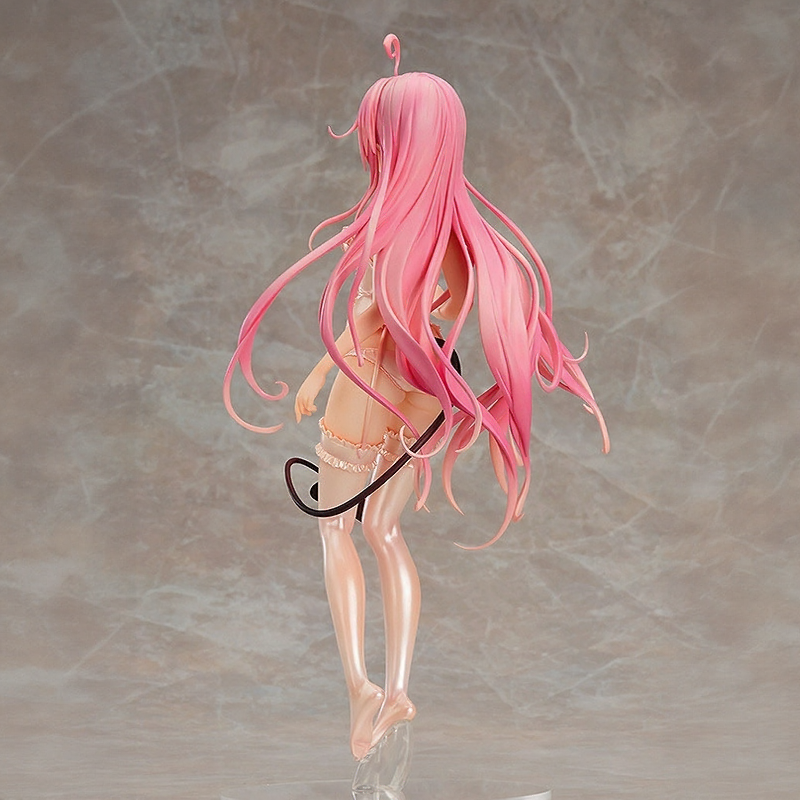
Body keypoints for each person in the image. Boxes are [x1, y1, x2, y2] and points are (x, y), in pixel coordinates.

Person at [224, 35, 609, 761]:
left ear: (398, 139)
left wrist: (323, 372)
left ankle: (361, 689)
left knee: (336, 531)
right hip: (428, 391)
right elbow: (430, 310)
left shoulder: (398, 225)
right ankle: (398, 687)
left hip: (372, 386)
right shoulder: (459, 234)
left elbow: (376, 316)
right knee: (385, 531)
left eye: (379, 132)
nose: (370, 146)